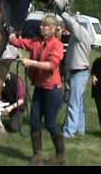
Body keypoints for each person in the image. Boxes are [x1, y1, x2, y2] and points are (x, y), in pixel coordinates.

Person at [9, 14, 65, 165]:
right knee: (34, 121)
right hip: (40, 88)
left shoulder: (57, 45)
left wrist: (30, 62)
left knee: (51, 123)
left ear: (53, 29)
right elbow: (21, 43)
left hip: (53, 90)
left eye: (45, 25)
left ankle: (60, 156)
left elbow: (51, 66)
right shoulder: (36, 42)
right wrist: (9, 36)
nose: (41, 27)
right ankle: (37, 155)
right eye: (41, 25)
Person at [61, 12, 94, 139]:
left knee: (73, 103)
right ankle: (80, 128)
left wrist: (63, 12)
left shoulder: (81, 34)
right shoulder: (77, 37)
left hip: (79, 73)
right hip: (77, 72)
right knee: (78, 102)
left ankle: (69, 131)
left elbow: (72, 23)